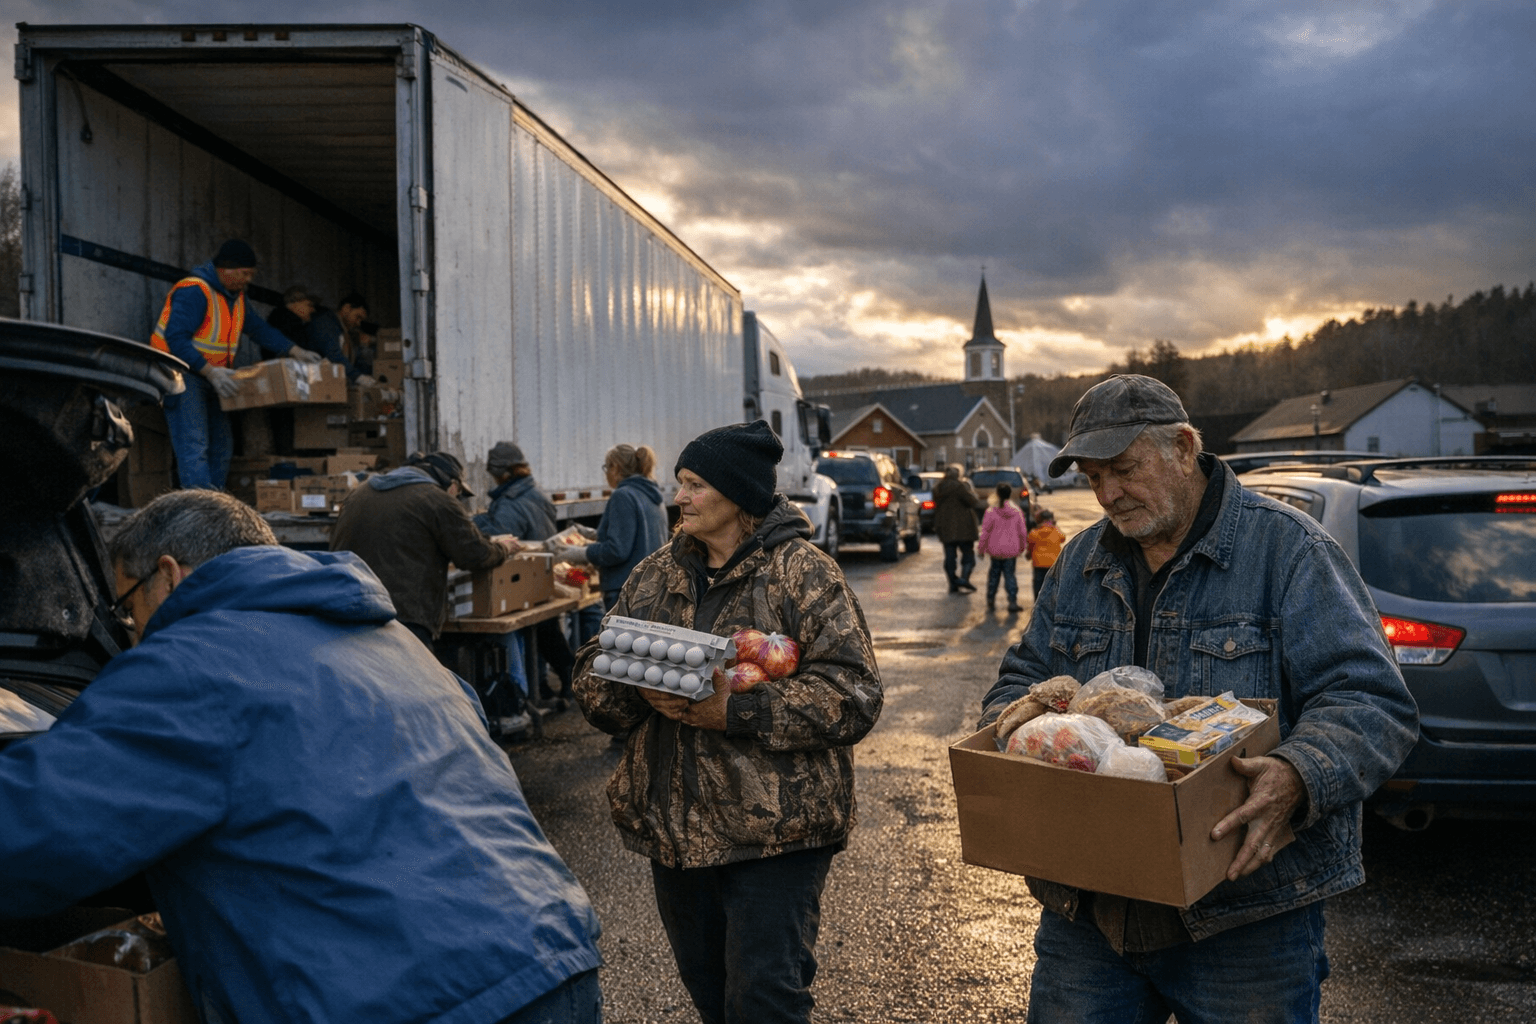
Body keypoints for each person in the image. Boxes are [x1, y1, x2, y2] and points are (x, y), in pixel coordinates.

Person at [0, 490, 603, 1024]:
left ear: (169, 575)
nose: (131, 631)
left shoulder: (191, 664)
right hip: (552, 960)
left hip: (414, 1001)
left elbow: (31, 830)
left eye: (128, 608)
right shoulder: (395, 643)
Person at [978, 374, 1418, 1024]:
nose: (1106, 495)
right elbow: (1018, 681)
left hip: (1245, 915)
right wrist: (1021, 733)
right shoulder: (1079, 563)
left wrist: (1299, 774)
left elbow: (1371, 699)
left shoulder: (1289, 552)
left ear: (1184, 447)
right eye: (1094, 477)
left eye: (1124, 470)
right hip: (1091, 909)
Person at [571, 420, 883, 1024]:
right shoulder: (655, 574)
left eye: (692, 485)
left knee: (764, 1002)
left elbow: (855, 694)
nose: (678, 498)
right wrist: (636, 687)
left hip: (778, 835)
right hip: (678, 834)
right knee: (713, 998)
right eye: (679, 484)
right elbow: (593, 678)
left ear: (736, 495)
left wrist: (734, 710)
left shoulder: (804, 573)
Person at [149, 239, 322, 489]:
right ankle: (200, 514)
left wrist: (295, 350)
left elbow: (258, 329)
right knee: (194, 445)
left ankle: (215, 506)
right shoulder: (195, 290)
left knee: (223, 445)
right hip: (181, 375)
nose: (248, 280)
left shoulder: (237, 297)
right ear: (225, 269)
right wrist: (210, 372)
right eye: (244, 274)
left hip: (214, 377)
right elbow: (175, 339)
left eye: (251, 274)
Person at [330, 451, 518, 648]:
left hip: (349, 609)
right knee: (410, 678)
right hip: (403, 618)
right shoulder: (438, 500)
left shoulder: (359, 493)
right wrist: (503, 548)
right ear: (453, 485)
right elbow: (474, 555)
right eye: (459, 494)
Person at [474, 441, 577, 707]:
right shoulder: (537, 492)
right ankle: (549, 684)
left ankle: (547, 687)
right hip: (542, 570)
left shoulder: (510, 503)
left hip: (523, 575)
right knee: (546, 631)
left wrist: (475, 523)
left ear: (503, 473)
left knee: (536, 633)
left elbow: (501, 537)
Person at [554, 443, 668, 611]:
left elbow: (617, 550)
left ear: (616, 467)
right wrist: (593, 534)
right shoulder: (652, 496)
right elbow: (638, 537)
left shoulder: (623, 495)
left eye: (607, 467)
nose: (606, 473)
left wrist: (579, 553)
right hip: (650, 589)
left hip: (625, 591)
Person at [932, 464, 986, 593]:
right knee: (968, 555)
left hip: (945, 526)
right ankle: (963, 579)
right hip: (964, 527)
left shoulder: (937, 488)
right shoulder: (960, 486)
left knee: (950, 556)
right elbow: (972, 502)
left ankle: (952, 583)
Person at [976, 482, 1029, 613]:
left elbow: (985, 532)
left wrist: (981, 549)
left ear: (997, 494)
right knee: (1010, 575)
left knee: (994, 575)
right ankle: (1012, 601)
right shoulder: (1016, 511)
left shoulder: (991, 511)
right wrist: (1022, 548)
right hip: (1011, 550)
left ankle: (990, 600)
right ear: (1010, 494)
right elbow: (1022, 532)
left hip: (995, 550)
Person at [307, 290, 377, 382]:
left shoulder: (344, 331)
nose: (358, 323)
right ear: (346, 308)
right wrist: (357, 377)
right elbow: (333, 355)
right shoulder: (326, 323)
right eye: (358, 317)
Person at [1027, 506, 1067, 599]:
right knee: (1052, 585)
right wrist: (1055, 526)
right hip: (1053, 563)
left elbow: (1030, 546)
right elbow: (1063, 538)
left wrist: (1028, 555)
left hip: (1038, 563)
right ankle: (1051, 603)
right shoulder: (1056, 532)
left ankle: (1038, 602)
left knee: (1038, 584)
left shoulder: (1034, 533)